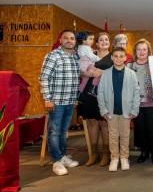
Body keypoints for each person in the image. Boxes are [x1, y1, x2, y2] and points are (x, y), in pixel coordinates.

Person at [39, 30, 80, 176]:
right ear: (60, 40)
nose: (69, 40)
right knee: (54, 131)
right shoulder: (53, 55)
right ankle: (56, 161)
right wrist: (48, 99)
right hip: (56, 102)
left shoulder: (75, 57)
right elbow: (44, 78)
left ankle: (63, 156)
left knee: (63, 131)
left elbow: (75, 77)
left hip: (69, 101)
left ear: (75, 41)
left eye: (72, 38)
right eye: (66, 38)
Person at [97, 47, 140, 171]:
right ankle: (114, 158)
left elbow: (136, 92)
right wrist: (103, 109)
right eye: (115, 56)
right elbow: (100, 92)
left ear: (125, 58)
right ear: (111, 57)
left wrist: (134, 109)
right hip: (111, 110)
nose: (118, 59)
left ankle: (124, 158)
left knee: (125, 134)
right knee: (113, 135)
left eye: (121, 56)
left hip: (126, 111)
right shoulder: (106, 73)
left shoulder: (131, 74)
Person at [78, 32, 113, 167]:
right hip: (88, 93)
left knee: (104, 122)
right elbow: (78, 69)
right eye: (101, 40)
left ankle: (106, 153)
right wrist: (84, 73)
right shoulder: (87, 54)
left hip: (105, 94)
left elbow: (120, 72)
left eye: (106, 39)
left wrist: (103, 72)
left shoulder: (113, 56)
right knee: (91, 122)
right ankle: (94, 153)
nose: (104, 41)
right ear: (96, 43)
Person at [127, 39, 153, 164]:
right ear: (135, 51)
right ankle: (144, 151)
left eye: (144, 49)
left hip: (152, 103)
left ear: (148, 51)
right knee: (140, 128)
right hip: (137, 104)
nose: (141, 52)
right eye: (139, 49)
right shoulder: (129, 66)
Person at [76, 31, 100, 97]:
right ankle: (93, 88)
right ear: (84, 40)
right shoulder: (86, 47)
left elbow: (86, 53)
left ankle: (79, 92)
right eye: (90, 39)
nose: (92, 41)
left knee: (85, 80)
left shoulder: (81, 46)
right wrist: (99, 58)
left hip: (83, 65)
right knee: (97, 73)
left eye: (93, 39)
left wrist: (92, 51)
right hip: (87, 64)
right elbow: (91, 56)